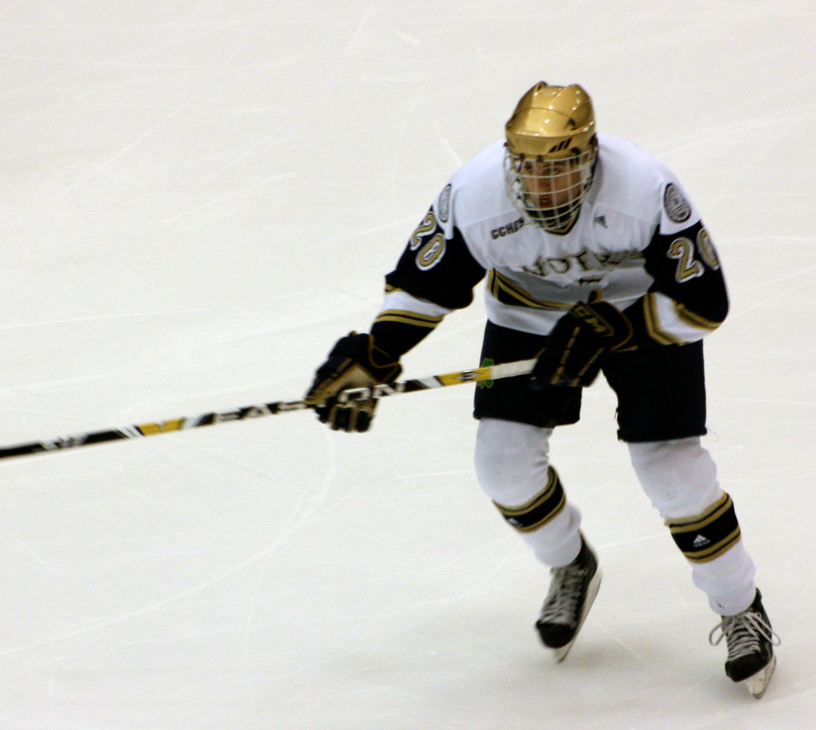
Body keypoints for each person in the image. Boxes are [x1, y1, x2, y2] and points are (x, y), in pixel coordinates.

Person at [305, 82, 779, 697]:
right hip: (529, 319)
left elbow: (704, 302)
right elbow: (426, 282)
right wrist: (376, 353)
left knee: (671, 471)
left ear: (591, 157)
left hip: (640, 317)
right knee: (501, 467)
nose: (543, 187)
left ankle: (740, 607)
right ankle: (571, 564)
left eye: (558, 170)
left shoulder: (643, 187)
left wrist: (616, 329)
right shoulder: (474, 194)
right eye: (529, 170)